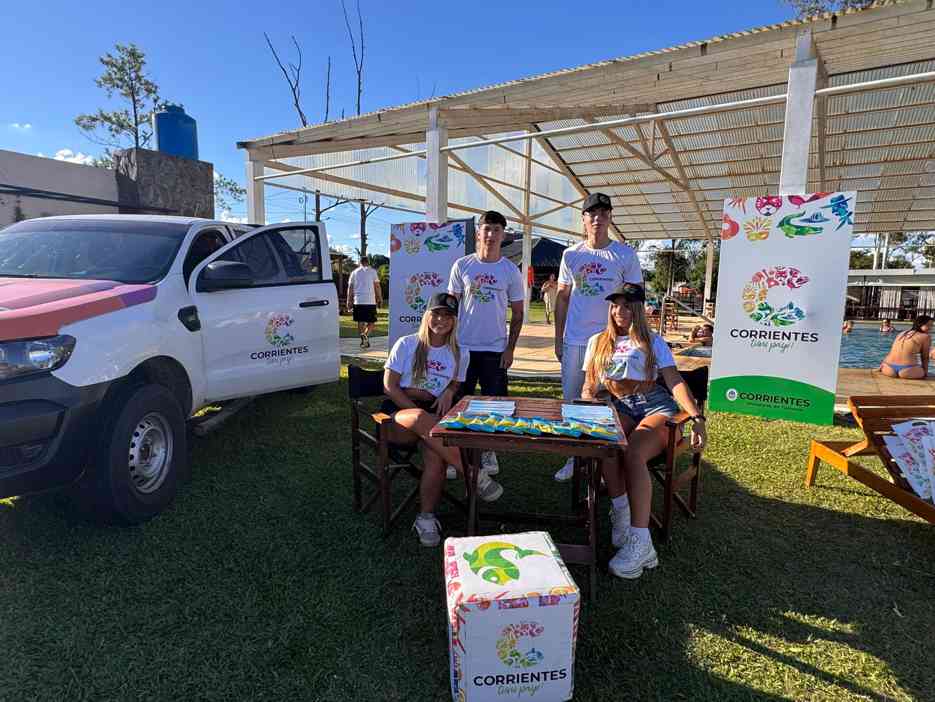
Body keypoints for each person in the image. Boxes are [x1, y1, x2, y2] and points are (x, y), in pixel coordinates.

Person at [581, 283, 706, 579]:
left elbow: (674, 381)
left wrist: (697, 417)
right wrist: (589, 399)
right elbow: (589, 384)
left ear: (638, 309)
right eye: (615, 305)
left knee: (634, 452)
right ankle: (622, 511)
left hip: (655, 406)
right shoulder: (597, 341)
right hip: (620, 406)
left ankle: (642, 543)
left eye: (627, 305)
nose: (619, 311)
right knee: (608, 445)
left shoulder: (652, 341)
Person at [383, 293, 504, 547]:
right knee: (421, 419)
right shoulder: (407, 344)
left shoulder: (460, 352)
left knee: (436, 454)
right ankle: (473, 474)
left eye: (448, 315)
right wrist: (420, 409)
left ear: (455, 320)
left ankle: (425, 518)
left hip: (433, 421)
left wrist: (449, 390)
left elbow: (457, 383)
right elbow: (390, 387)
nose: (441, 320)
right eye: (436, 314)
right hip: (399, 415)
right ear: (427, 316)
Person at [553, 192, 643, 482]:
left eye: (604, 213)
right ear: (583, 219)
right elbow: (562, 297)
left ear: (610, 218)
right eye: (592, 213)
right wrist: (558, 338)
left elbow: (635, 300)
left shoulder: (625, 255)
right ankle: (574, 457)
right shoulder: (571, 255)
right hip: (575, 340)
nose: (598, 218)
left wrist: (634, 339)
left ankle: (605, 460)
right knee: (572, 400)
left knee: (609, 402)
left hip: (611, 342)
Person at [448, 210, 525, 480]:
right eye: (487, 229)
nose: (491, 234)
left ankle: (489, 452)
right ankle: (455, 454)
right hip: (463, 348)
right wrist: (450, 347)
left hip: (495, 350)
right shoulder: (462, 265)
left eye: (497, 230)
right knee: (459, 403)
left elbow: (518, 313)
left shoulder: (510, 270)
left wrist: (510, 348)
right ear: (478, 232)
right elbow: (450, 309)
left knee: (496, 404)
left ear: (503, 235)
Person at [880, 314, 931, 379]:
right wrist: (925, 372)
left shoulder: (902, 333)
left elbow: (892, 351)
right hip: (908, 370)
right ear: (920, 324)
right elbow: (925, 357)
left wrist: (883, 364)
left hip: (888, 368)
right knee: (922, 372)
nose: (930, 327)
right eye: (928, 325)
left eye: (931, 325)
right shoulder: (926, 337)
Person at [347, 255, 382, 348]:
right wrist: (380, 298)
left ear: (360, 262)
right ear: (368, 262)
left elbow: (350, 288)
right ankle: (365, 335)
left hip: (358, 301)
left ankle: (363, 340)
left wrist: (348, 300)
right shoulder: (373, 271)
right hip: (370, 301)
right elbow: (377, 286)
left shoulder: (354, 272)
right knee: (372, 321)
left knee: (360, 321)